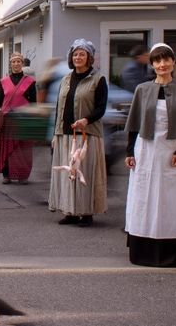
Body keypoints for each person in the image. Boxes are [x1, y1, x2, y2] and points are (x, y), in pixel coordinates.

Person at [124, 43, 176, 267]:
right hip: (146, 151)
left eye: (166, 59)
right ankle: (143, 250)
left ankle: (174, 252)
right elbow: (134, 124)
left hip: (172, 152)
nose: (162, 64)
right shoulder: (143, 89)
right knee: (144, 197)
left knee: (172, 200)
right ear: (152, 64)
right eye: (157, 60)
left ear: (173, 62)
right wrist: (130, 151)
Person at [49, 39, 108, 227]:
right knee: (68, 174)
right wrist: (55, 133)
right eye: (75, 54)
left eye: (82, 54)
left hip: (87, 135)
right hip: (65, 133)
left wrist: (86, 120)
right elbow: (59, 107)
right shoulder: (66, 79)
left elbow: (101, 108)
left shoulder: (98, 79)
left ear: (89, 58)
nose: (78, 57)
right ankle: (70, 212)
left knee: (85, 173)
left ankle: (86, 212)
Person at [0, 53, 37, 184]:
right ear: (10, 64)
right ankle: (7, 175)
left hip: (24, 120)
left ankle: (22, 176)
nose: (16, 64)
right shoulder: (4, 81)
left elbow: (34, 103)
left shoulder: (30, 82)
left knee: (23, 149)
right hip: (7, 120)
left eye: (18, 62)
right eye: (13, 62)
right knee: (7, 148)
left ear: (22, 64)